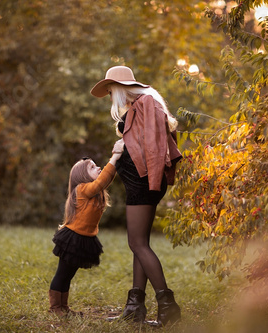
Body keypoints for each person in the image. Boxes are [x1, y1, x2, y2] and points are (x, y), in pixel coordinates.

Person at [90, 66, 183, 327]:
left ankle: (169, 307)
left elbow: (154, 147)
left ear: (121, 88)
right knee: (139, 243)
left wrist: (152, 182)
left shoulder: (147, 102)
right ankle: (135, 307)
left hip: (144, 183)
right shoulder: (140, 104)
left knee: (137, 243)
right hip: (139, 182)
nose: (110, 97)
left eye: (110, 91)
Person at [48, 139, 124, 316]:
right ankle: (55, 308)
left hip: (84, 239)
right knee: (62, 274)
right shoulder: (82, 189)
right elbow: (101, 182)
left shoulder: (95, 191)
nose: (98, 168)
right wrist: (115, 156)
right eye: (92, 167)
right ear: (82, 176)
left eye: (97, 166)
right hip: (72, 238)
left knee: (69, 275)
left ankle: (64, 307)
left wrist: (118, 158)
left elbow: (106, 179)